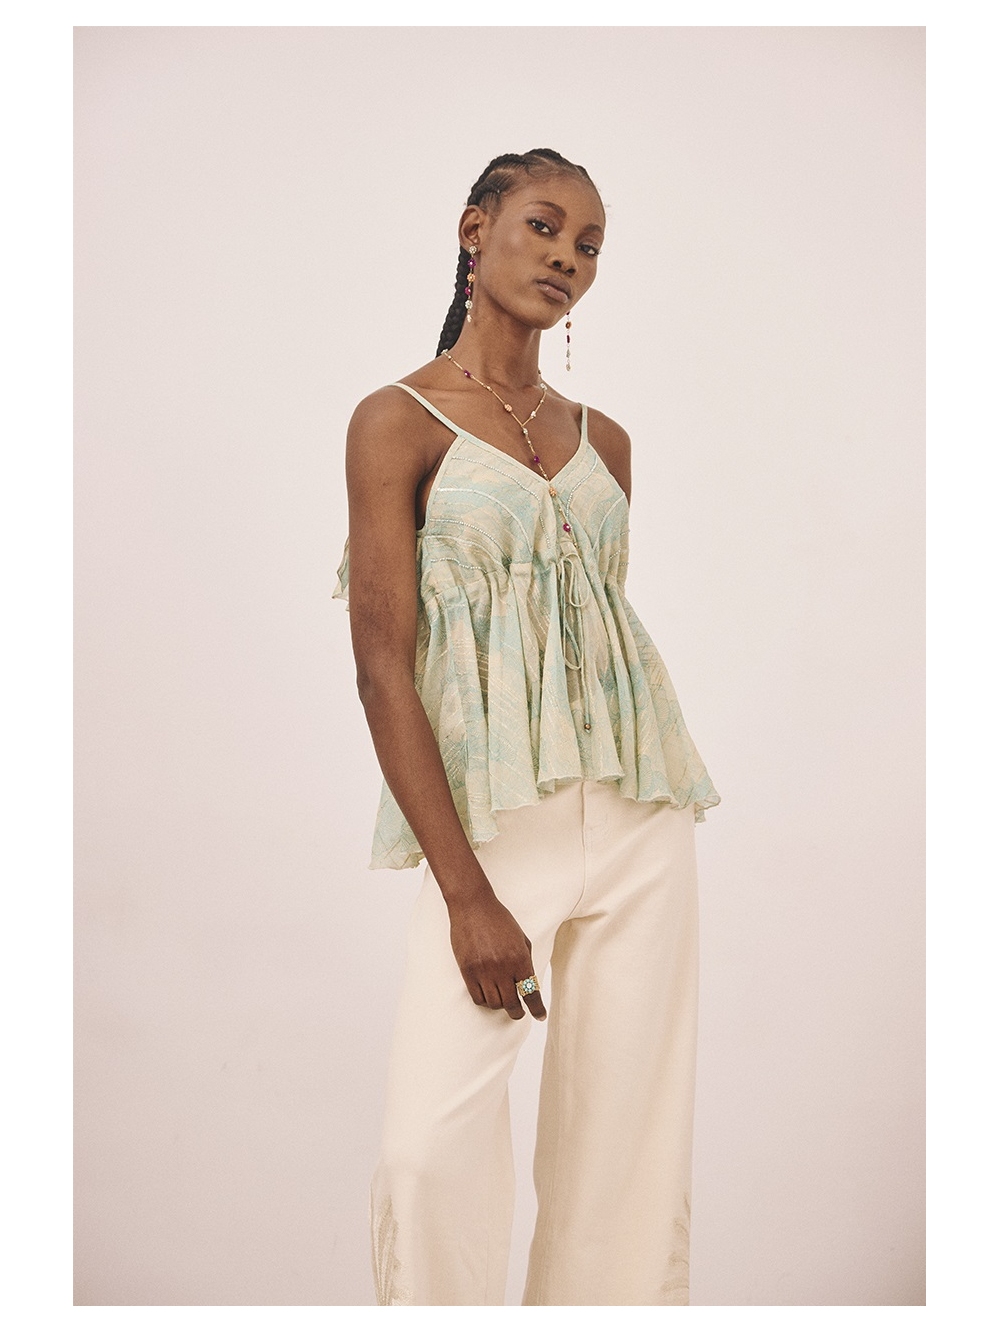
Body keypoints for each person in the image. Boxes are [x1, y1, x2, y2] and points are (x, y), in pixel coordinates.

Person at [331, 148, 719, 1306]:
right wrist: (467, 895)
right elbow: (383, 667)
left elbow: (584, 637)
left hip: (642, 812)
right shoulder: (394, 421)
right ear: (475, 229)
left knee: (625, 1156)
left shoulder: (608, 441)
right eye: (544, 227)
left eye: (588, 245)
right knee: (426, 1152)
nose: (565, 257)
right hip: (497, 826)